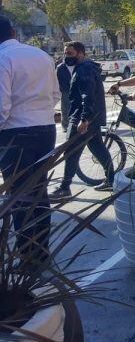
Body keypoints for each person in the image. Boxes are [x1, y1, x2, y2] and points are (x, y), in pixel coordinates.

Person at [0, 16, 59, 262]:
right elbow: (55, 94)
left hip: (16, 133)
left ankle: (28, 255)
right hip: (45, 128)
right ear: (13, 31)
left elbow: (2, 107)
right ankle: (41, 250)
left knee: (20, 195)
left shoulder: (3, 59)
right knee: (39, 192)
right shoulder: (41, 56)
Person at [51, 42, 115, 199]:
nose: (67, 56)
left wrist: (84, 119)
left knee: (71, 152)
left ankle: (65, 188)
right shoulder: (86, 67)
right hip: (91, 117)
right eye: (66, 53)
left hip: (82, 118)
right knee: (97, 147)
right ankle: (112, 180)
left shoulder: (84, 69)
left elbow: (87, 96)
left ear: (81, 53)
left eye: (70, 53)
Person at [56, 57, 75, 132]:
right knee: (65, 109)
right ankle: (66, 126)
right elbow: (56, 79)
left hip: (77, 89)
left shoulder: (78, 65)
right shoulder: (60, 67)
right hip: (65, 90)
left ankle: (76, 124)